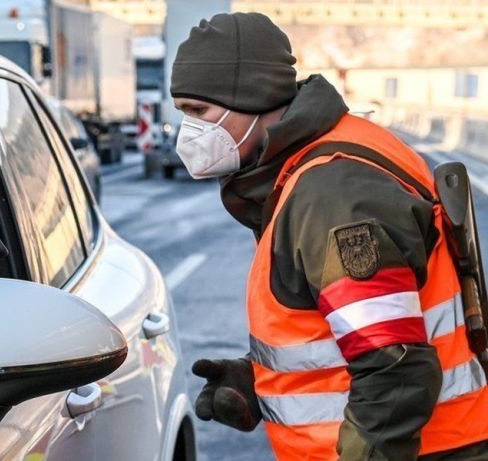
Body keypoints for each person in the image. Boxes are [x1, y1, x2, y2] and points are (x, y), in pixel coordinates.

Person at [170, 12, 488, 460]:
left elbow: (393, 372)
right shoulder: (321, 163)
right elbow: (351, 328)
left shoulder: (332, 196)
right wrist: (262, 379)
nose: (190, 132)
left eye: (198, 111)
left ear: (252, 97)